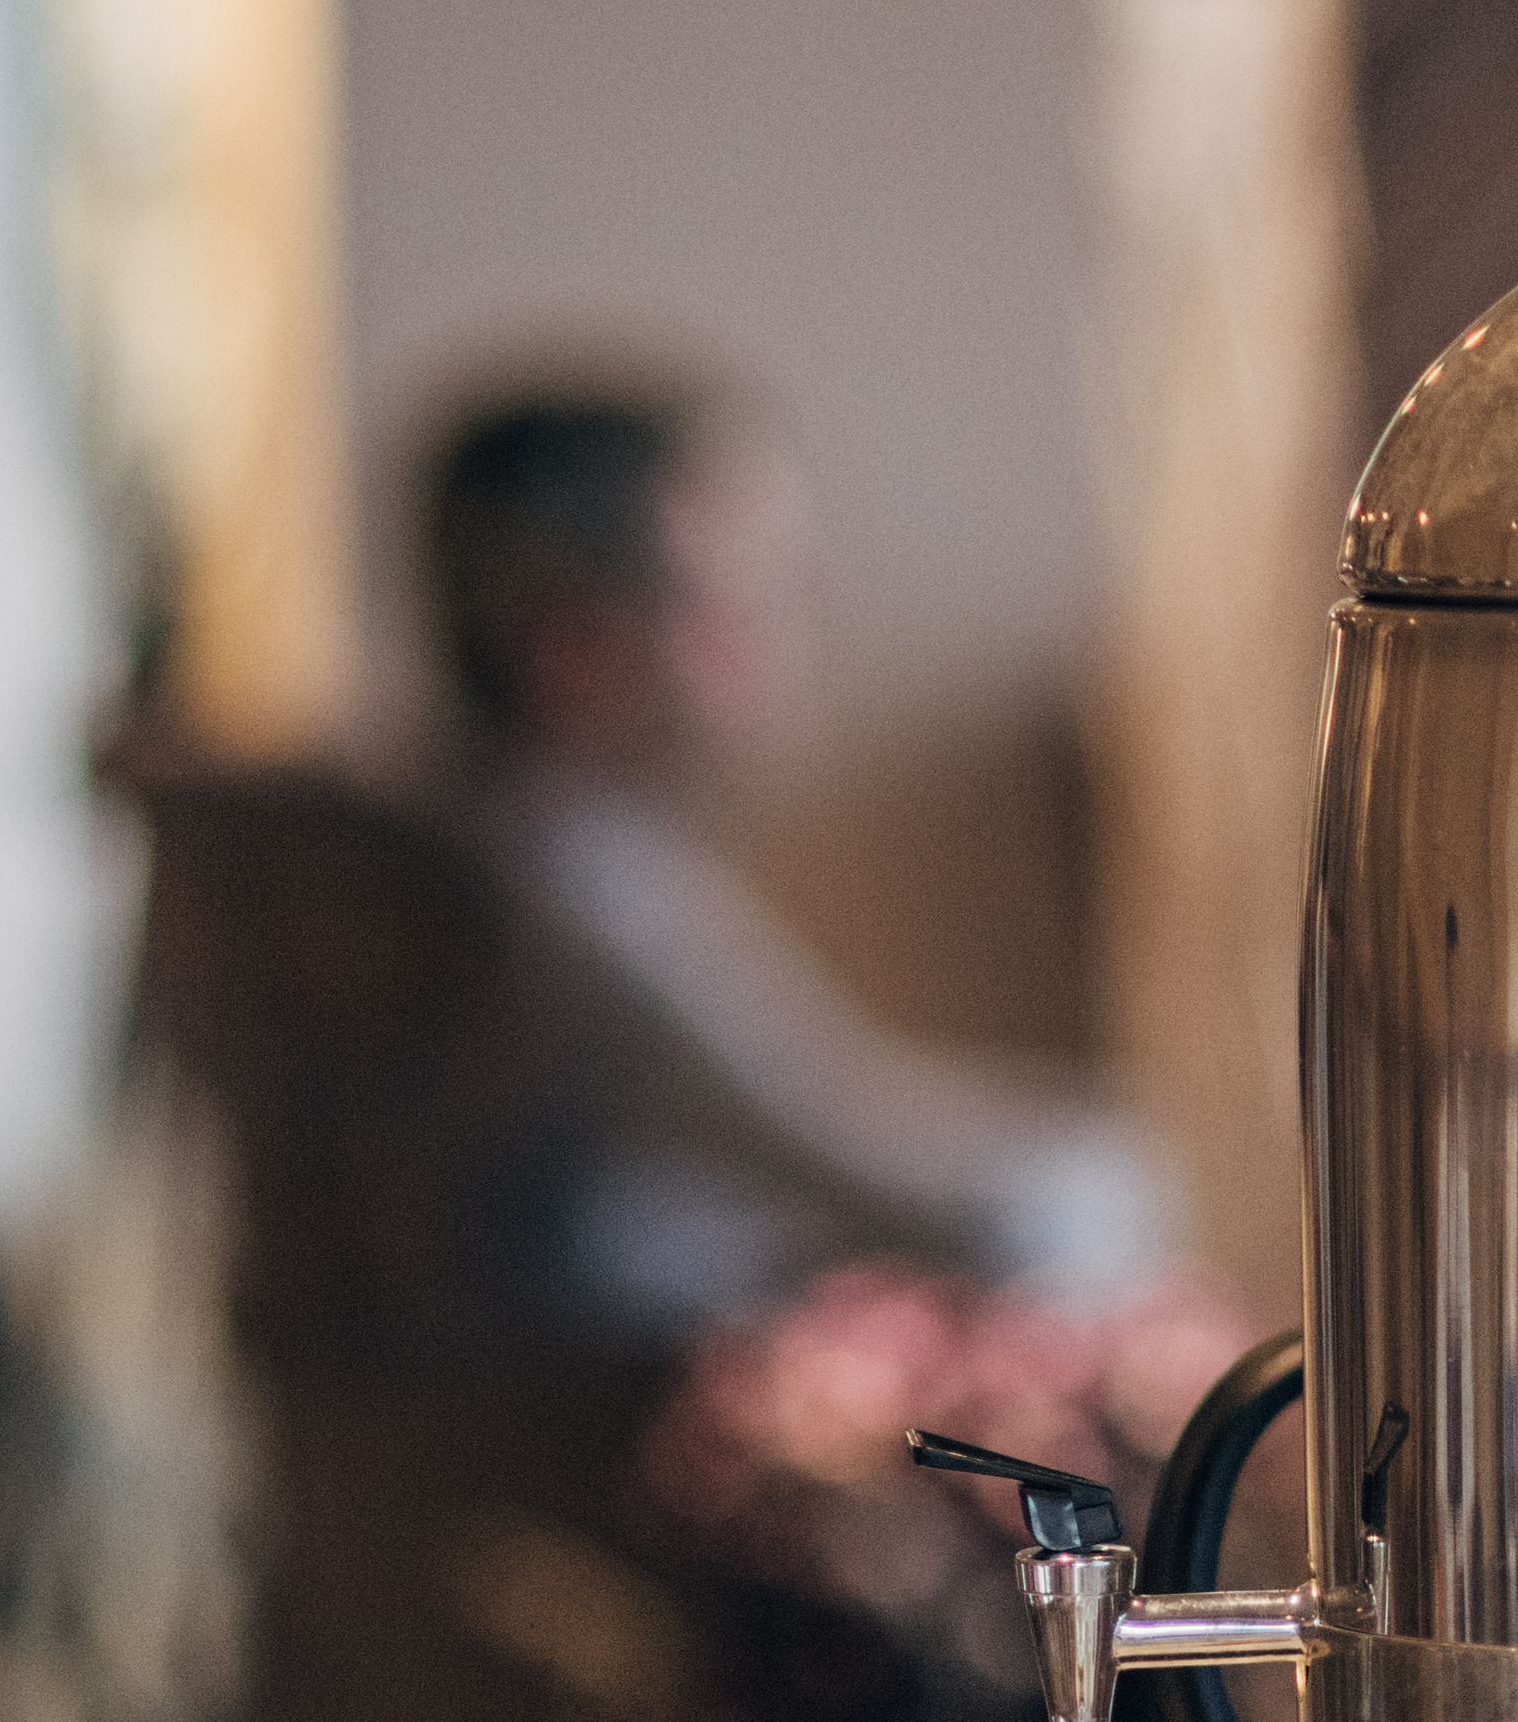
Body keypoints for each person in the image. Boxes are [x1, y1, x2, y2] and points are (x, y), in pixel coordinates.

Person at [412, 378, 1168, 1337]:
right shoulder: (567, 880)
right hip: (611, 1389)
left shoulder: (496, 837)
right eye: (744, 600)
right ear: (579, 645)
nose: (790, 642)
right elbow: (869, 1167)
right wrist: (1128, 1172)